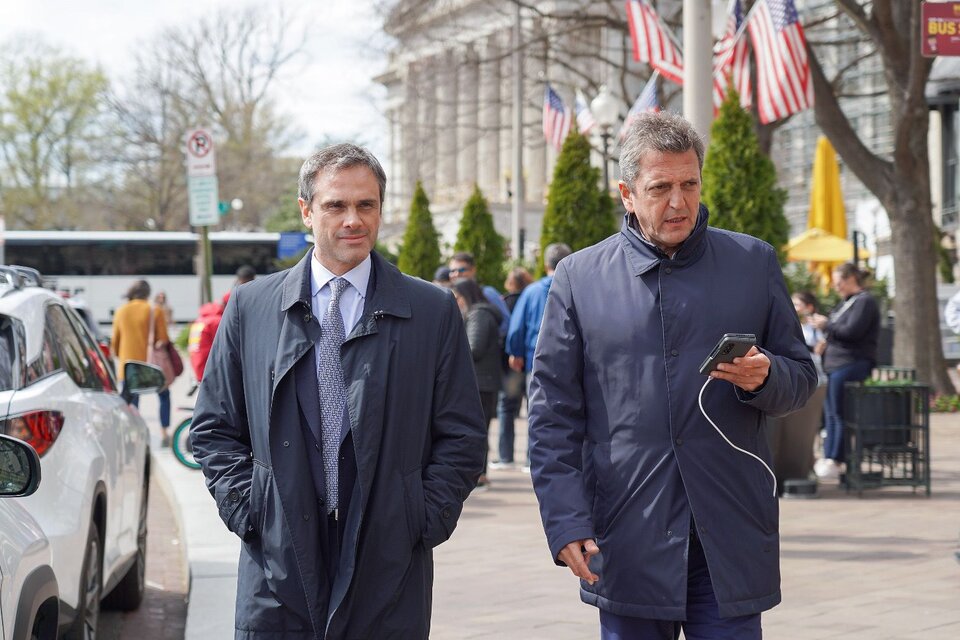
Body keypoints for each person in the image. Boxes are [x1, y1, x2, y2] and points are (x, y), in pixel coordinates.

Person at [528, 111, 816, 639]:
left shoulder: (753, 263)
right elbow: (552, 415)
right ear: (627, 193)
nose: (679, 201)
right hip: (626, 529)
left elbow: (800, 377)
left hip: (727, 528)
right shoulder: (579, 278)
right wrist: (565, 520)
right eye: (660, 187)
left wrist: (765, 376)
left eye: (690, 184)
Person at [190, 143, 486, 638]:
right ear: (307, 211)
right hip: (276, 565)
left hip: (388, 562)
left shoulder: (431, 311)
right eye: (336, 205)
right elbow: (215, 428)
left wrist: (422, 516)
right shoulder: (250, 308)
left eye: (366, 205)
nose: (353, 219)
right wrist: (251, 509)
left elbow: (462, 435)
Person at [504, 244, 571, 472]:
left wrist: (515, 352)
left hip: (536, 359)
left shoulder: (531, 291)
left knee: (537, 410)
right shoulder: (577, 286)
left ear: (545, 264)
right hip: (571, 361)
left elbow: (516, 325)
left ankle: (533, 459)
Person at [811, 263, 880, 481]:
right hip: (836, 363)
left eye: (839, 282)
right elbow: (840, 331)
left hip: (852, 362)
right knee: (831, 411)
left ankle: (836, 458)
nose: (836, 287)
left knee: (837, 411)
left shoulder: (864, 301)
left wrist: (826, 326)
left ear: (851, 279)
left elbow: (852, 331)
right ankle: (831, 455)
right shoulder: (846, 302)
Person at [451, 278, 502, 489]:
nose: (457, 302)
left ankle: (479, 474)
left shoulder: (478, 314)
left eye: (458, 297)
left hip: (481, 381)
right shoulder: (479, 313)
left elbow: (474, 347)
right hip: (483, 380)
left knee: (477, 429)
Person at [111, 279, 173, 445]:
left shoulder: (121, 311)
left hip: (128, 365)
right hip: (151, 366)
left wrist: (123, 354)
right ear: (147, 294)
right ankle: (164, 432)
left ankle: (132, 436)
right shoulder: (155, 310)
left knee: (131, 402)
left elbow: (115, 343)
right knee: (164, 395)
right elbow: (163, 338)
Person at [492, 267, 534, 469]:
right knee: (532, 410)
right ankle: (529, 459)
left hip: (512, 362)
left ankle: (505, 456)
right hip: (532, 359)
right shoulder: (535, 295)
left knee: (506, 408)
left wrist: (513, 352)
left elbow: (513, 329)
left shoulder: (504, 302)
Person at [448, 252, 511, 334]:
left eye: (462, 270)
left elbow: (506, 323)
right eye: (453, 271)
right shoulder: (448, 296)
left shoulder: (487, 293)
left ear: (473, 270)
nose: (457, 274)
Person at [792, 290, 827, 383]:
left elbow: (820, 347)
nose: (793, 308)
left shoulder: (817, 326)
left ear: (809, 307)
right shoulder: (792, 326)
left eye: (796, 304)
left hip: (813, 371)